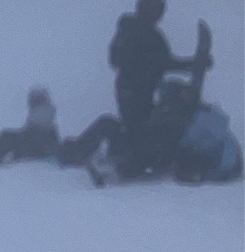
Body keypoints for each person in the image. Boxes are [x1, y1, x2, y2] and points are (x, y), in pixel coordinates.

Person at [60, 78, 201, 186]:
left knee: (109, 127)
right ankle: (78, 151)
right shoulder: (163, 118)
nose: (160, 103)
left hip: (135, 161)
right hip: (132, 152)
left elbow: (156, 148)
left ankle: (86, 159)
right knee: (108, 123)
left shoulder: (173, 125)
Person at [108, 0, 204, 137]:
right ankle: (127, 146)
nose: (160, 16)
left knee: (134, 124)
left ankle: (127, 144)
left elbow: (117, 60)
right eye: (158, 12)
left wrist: (192, 63)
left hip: (128, 85)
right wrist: (192, 64)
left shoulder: (128, 29)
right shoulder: (147, 34)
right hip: (138, 88)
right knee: (138, 125)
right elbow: (164, 62)